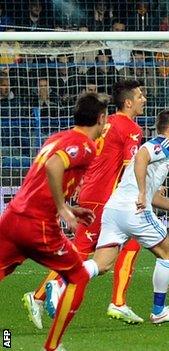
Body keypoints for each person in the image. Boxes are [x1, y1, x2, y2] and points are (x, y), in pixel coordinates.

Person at [23, 79, 147, 329]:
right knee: (96, 249)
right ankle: (50, 292)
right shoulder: (132, 129)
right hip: (105, 198)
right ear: (128, 102)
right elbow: (129, 168)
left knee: (119, 243)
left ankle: (42, 297)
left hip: (90, 191)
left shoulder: (104, 122)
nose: (144, 99)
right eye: (140, 95)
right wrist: (139, 193)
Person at [0, 92, 109, 351]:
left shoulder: (57, 137)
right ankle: (52, 347)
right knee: (78, 276)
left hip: (12, 218)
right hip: (37, 226)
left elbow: (42, 179)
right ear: (101, 118)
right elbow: (52, 166)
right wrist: (62, 208)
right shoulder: (85, 145)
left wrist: (71, 207)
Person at [80, 110, 169, 324]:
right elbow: (142, 155)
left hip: (114, 210)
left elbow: (155, 198)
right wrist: (141, 192)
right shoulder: (163, 145)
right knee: (167, 252)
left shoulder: (162, 154)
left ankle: (60, 283)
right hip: (134, 210)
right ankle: (159, 311)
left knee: (101, 264)